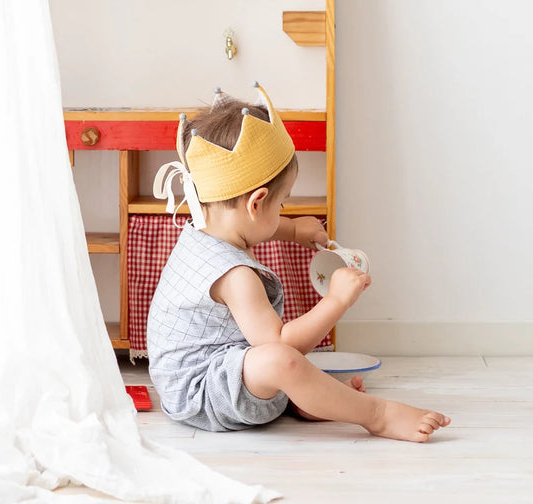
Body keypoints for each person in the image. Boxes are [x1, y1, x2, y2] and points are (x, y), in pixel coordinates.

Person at [146, 84, 450, 443]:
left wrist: (292, 230)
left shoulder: (206, 228)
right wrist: (336, 301)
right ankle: (378, 416)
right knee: (281, 361)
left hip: (207, 376)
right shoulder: (235, 276)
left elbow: (249, 225)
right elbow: (280, 344)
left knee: (284, 365)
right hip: (203, 397)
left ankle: (310, 400)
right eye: (283, 204)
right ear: (257, 203)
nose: (283, 212)